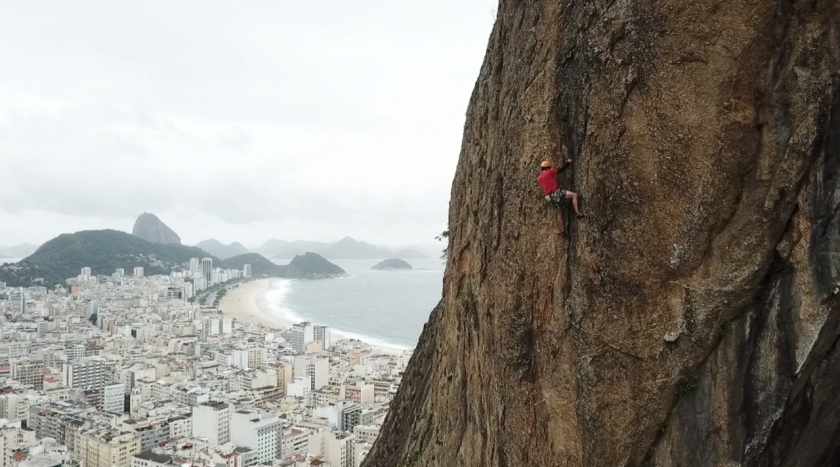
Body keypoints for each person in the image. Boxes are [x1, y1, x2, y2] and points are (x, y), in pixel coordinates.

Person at [537, 159, 584, 234]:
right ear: (547, 167)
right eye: (549, 167)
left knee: (558, 212)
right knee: (574, 195)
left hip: (549, 197)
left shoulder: (539, 178)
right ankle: (577, 212)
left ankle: (562, 230)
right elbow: (560, 170)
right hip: (556, 193)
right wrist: (568, 162)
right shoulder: (549, 172)